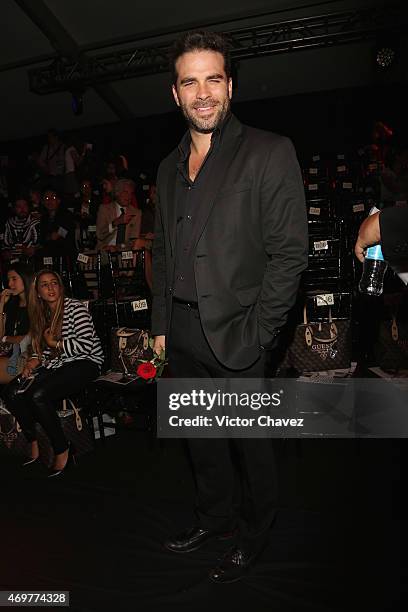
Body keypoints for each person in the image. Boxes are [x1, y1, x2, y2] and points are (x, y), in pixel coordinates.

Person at [151, 30, 308, 583]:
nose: (202, 92)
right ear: (175, 94)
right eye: (189, 81)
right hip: (182, 333)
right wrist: (161, 328)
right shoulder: (168, 169)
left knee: (251, 448)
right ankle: (213, 518)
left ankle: (254, 532)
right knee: (203, 441)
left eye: (212, 78)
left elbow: (290, 253)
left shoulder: (268, 151)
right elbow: (164, 254)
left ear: (230, 86)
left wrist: (263, 332)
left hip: (241, 333)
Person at [4, 270, 104, 476]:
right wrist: (33, 361)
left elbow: (85, 346)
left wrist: (54, 343)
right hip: (58, 363)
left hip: (86, 362)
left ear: (60, 286)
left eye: (54, 283)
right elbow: (44, 350)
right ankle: (34, 439)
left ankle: (62, 447)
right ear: (38, 292)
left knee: (38, 394)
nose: (50, 288)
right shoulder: (42, 314)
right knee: (11, 392)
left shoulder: (75, 308)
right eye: (44, 285)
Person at [0, 263, 33, 384]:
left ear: (25, 278)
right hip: (7, 353)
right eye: (8, 280)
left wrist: (5, 339)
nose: (9, 284)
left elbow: (28, 338)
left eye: (14, 279)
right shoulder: (12, 304)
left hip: (24, 357)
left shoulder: (36, 305)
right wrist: (1, 305)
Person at [96, 178, 141, 251]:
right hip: (106, 249)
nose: (129, 196)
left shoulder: (136, 213)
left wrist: (118, 247)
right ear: (117, 193)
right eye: (125, 192)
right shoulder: (104, 209)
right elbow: (100, 234)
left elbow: (133, 240)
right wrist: (115, 223)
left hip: (125, 250)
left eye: (131, 193)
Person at [39, 187, 76, 258]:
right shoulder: (44, 218)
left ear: (58, 200)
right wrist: (50, 236)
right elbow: (42, 237)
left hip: (65, 253)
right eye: (46, 198)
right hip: (48, 253)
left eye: (53, 197)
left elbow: (67, 230)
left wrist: (57, 233)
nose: (49, 201)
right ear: (43, 202)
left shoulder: (66, 214)